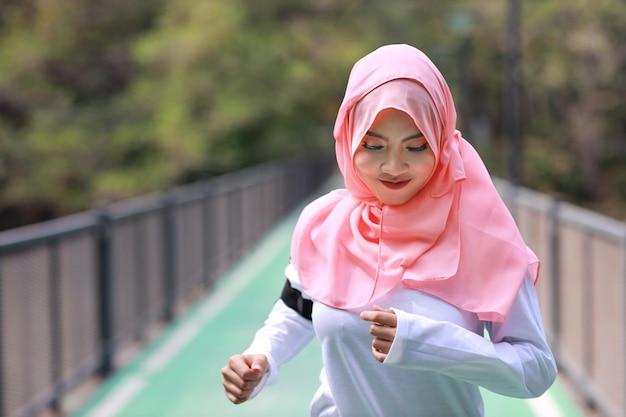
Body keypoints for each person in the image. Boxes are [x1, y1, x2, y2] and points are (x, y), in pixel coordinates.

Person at [221, 43, 557, 417]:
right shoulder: (326, 223)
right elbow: (298, 306)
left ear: (443, 144)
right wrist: (261, 357)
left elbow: (536, 369)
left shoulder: (483, 236)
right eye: (373, 145)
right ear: (348, 139)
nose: (393, 166)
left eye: (416, 147)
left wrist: (427, 343)